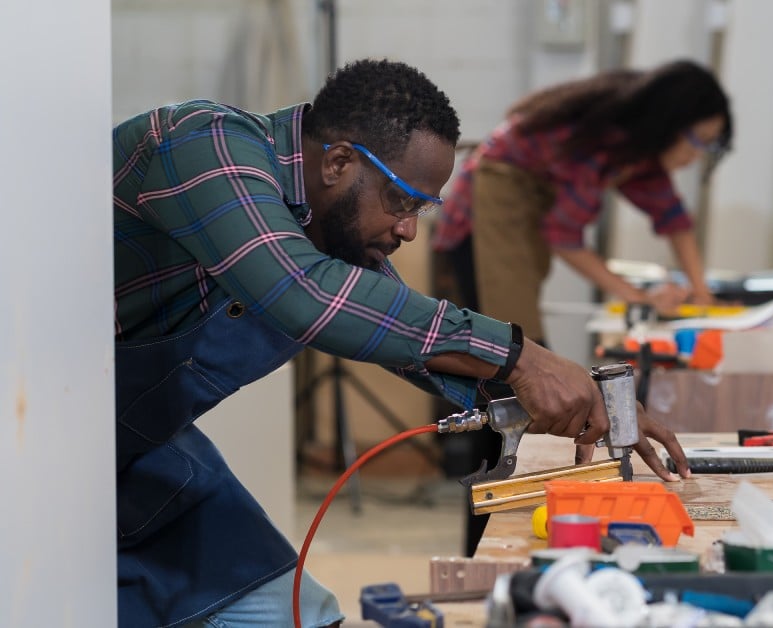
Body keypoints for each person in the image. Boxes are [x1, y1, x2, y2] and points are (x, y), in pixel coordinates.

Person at [112, 58, 691, 628]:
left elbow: (405, 332)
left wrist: (581, 393)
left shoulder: (323, 229)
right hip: (46, 456)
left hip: (140, 451)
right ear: (339, 162)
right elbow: (304, 295)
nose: (410, 229)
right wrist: (524, 356)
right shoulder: (202, 143)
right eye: (402, 201)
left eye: (421, 207)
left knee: (302, 615)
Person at [432, 58, 734, 344]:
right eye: (699, 140)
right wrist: (638, 298)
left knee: (511, 345)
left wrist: (701, 293)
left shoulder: (640, 145)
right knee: (515, 346)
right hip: (485, 209)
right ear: (671, 122)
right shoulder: (605, 136)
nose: (698, 155)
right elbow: (565, 239)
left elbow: (675, 220)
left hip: (516, 205)